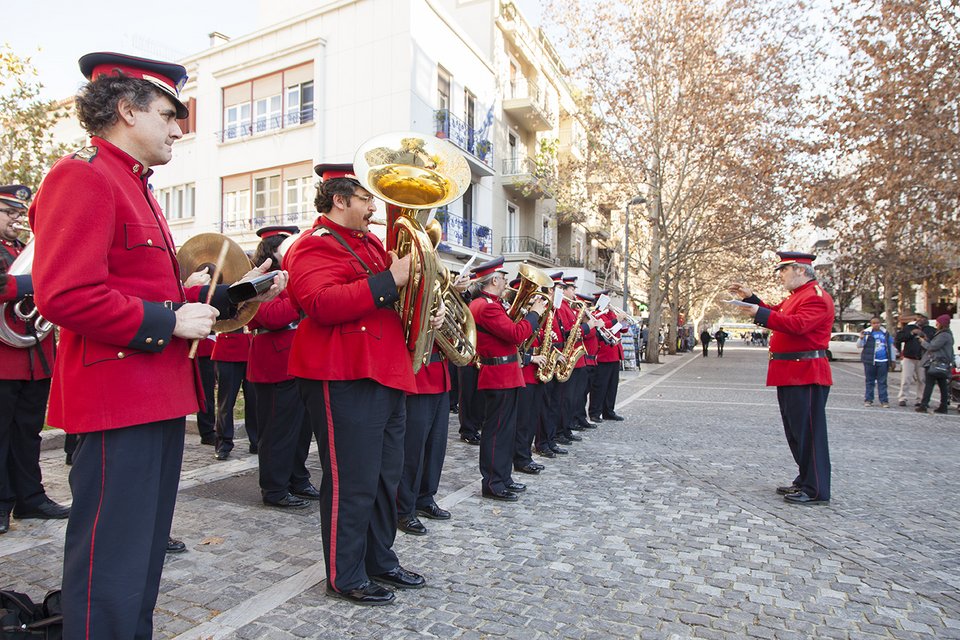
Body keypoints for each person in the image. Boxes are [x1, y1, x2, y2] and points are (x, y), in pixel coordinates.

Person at [28, 52, 286, 638]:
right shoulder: (85, 175)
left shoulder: (133, 183)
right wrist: (168, 319)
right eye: (171, 114)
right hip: (119, 393)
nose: (179, 128)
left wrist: (187, 293)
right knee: (112, 557)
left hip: (153, 391)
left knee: (141, 552)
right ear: (126, 109)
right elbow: (64, 295)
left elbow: (127, 282)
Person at [285, 163, 431, 605]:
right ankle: (345, 574)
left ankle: (379, 560)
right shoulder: (313, 245)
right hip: (342, 372)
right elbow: (321, 303)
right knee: (353, 480)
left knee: (387, 477)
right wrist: (392, 279)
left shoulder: (370, 245)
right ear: (340, 199)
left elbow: (390, 300)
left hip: (385, 371)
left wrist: (426, 309)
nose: (374, 207)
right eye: (367, 198)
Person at [727, 251, 834, 505]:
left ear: (800, 270)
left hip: (806, 371)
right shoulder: (798, 296)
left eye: (784, 271)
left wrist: (757, 311)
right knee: (796, 432)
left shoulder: (815, 297)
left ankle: (816, 488)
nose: (781, 276)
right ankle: (805, 479)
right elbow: (778, 314)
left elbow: (796, 325)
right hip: (791, 371)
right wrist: (751, 300)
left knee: (809, 433)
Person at [0, 184, 69, 536]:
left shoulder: (23, 250)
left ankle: (30, 497)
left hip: (34, 356)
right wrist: (35, 283)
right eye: (8, 212)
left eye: (17, 212)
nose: (16, 219)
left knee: (29, 432)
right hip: (3, 360)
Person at [247, 225, 319, 509]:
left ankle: (297, 478)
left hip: (298, 361)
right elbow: (272, 316)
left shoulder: (290, 277)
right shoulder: (260, 279)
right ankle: (274, 488)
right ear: (273, 251)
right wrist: (298, 294)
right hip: (274, 363)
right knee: (277, 431)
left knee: (301, 429)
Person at [468, 256, 546, 501]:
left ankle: (503, 477)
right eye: (502, 278)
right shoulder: (487, 306)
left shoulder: (491, 304)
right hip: (499, 375)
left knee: (505, 431)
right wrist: (533, 314)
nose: (505, 282)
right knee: (497, 432)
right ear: (493, 280)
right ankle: (493, 481)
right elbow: (515, 333)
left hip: (505, 374)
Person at [915, 314, 954, 414]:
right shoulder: (945, 334)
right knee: (942, 385)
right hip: (941, 363)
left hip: (936, 363)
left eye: (938, 322)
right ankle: (943, 406)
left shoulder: (943, 335)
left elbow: (933, 347)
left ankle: (924, 405)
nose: (936, 324)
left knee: (930, 384)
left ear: (941, 324)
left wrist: (922, 342)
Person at [895, 314, 935, 407]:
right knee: (906, 378)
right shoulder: (909, 327)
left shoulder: (930, 330)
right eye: (919, 317)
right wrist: (911, 333)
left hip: (923, 358)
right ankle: (902, 398)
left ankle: (920, 399)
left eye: (923, 318)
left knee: (922, 380)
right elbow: (898, 338)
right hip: (909, 357)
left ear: (926, 319)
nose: (921, 319)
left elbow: (933, 343)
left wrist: (924, 336)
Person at [857, 316, 894, 408]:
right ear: (871, 324)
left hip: (883, 360)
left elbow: (890, 347)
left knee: (882, 382)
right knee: (870, 381)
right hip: (870, 360)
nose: (876, 324)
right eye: (874, 323)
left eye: (877, 323)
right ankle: (868, 399)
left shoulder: (885, 333)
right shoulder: (868, 333)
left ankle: (884, 400)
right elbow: (859, 345)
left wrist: (892, 360)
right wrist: (861, 338)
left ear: (880, 323)